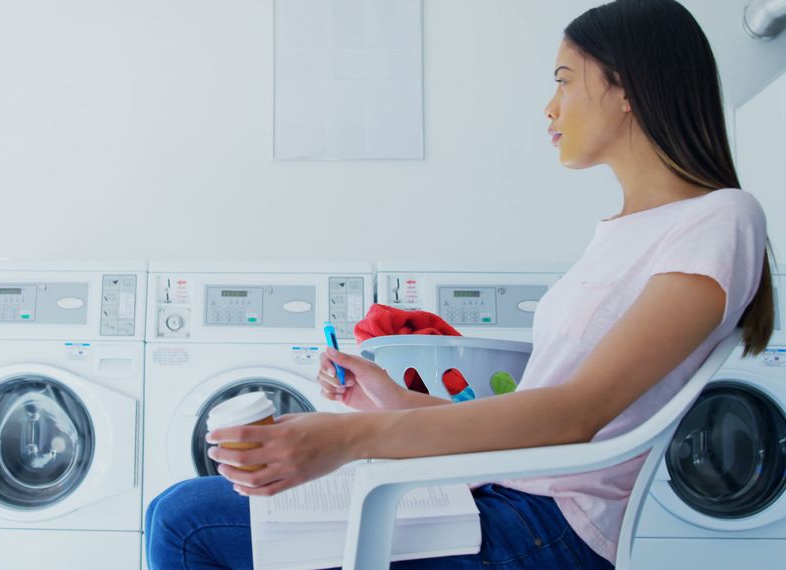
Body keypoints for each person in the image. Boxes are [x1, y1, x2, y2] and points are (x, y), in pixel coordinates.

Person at [144, 0, 776, 567]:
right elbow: (535, 417)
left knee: (186, 521)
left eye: (563, 80)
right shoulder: (621, 232)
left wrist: (348, 440)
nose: (549, 107)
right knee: (174, 512)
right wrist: (390, 400)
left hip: (548, 532)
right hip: (511, 496)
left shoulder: (720, 217)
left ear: (628, 87)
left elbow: (577, 415)